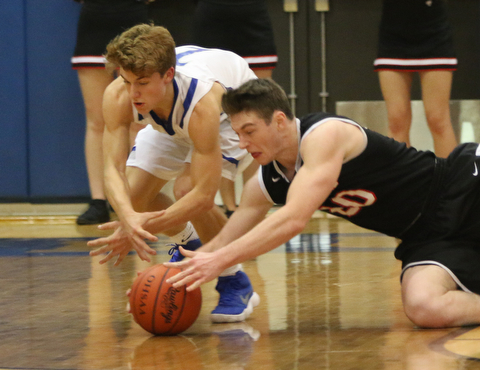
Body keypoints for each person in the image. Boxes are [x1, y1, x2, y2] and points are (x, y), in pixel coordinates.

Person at [166, 78, 480, 329]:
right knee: (422, 306)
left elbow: (293, 219)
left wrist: (219, 261)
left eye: (249, 131)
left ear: (279, 121)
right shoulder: (267, 181)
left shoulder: (324, 134)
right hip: (425, 237)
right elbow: (223, 240)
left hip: (463, 187)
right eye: (237, 134)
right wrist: (170, 278)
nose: (243, 144)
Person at [87, 24, 260, 322]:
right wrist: (129, 219)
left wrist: (142, 228)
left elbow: (204, 197)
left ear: (167, 75)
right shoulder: (119, 95)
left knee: (185, 190)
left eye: (141, 82)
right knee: (133, 197)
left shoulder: (203, 102)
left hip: (233, 111)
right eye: (126, 80)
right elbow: (112, 169)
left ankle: (235, 280)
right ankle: (190, 245)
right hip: (170, 115)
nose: (132, 92)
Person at [191, 0, 278, 216]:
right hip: (211, 20)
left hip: (251, 17)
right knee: (217, 117)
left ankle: (255, 203)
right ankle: (229, 206)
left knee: (259, 112)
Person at [72, 0, 152, 225]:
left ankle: (136, 197)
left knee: (139, 121)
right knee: (97, 120)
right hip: (94, 22)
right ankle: (99, 200)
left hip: (135, 23)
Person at [374, 0, 458, 158]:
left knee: (438, 120)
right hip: (393, 37)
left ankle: (451, 180)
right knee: (397, 121)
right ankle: (400, 181)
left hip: (434, 34)